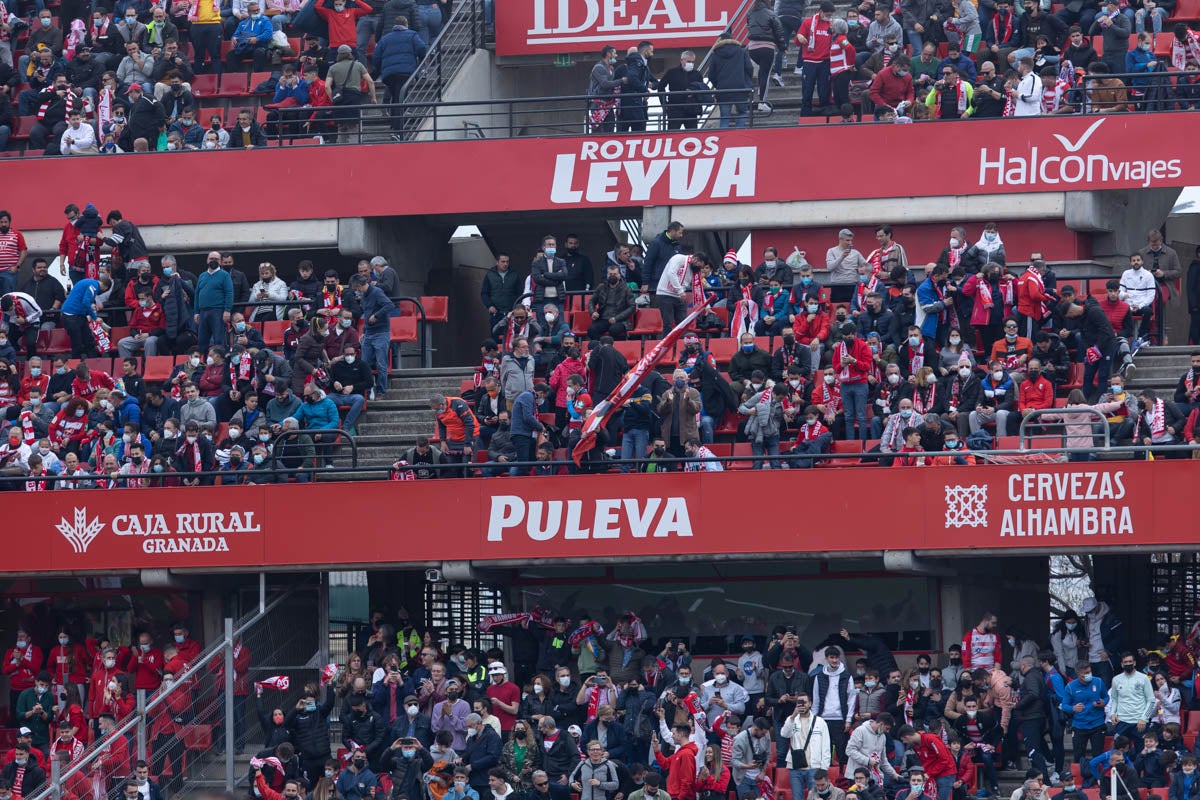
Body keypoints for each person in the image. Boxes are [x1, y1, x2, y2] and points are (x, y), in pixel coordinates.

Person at [783, 693, 831, 800]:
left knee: (815, 798)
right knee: (797, 798)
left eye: (804, 702)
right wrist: (793, 716)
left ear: (810, 703)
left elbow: (826, 746)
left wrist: (824, 768)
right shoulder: (792, 719)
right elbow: (784, 734)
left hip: (814, 767)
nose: (802, 705)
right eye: (799, 702)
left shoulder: (820, 722)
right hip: (795, 767)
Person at [707, 31, 755, 128]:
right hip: (741, 89)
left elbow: (711, 75)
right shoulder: (741, 51)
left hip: (723, 91)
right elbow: (749, 68)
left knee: (725, 117)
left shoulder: (715, 54)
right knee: (742, 113)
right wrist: (745, 80)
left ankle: (724, 136)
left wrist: (718, 85)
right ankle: (737, 134)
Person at [657, 50, 703, 129]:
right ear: (681, 60)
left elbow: (702, 89)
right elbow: (660, 87)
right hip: (675, 108)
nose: (691, 64)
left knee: (692, 134)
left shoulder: (697, 74)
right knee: (672, 134)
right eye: (689, 61)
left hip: (691, 110)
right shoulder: (672, 72)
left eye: (692, 62)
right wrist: (664, 104)